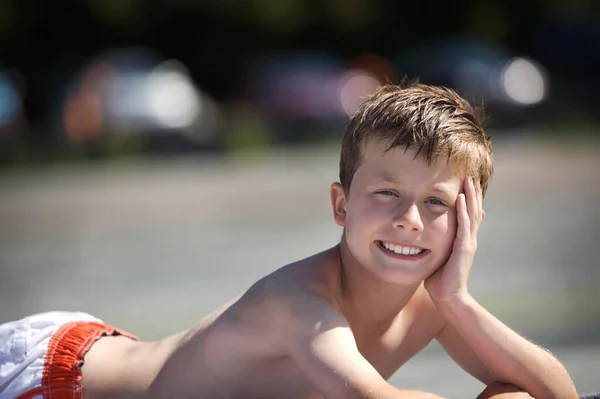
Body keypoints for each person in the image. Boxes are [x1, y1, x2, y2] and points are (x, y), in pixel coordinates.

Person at [0, 81, 579, 399]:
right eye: (386, 193)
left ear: (469, 219)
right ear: (340, 204)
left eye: (437, 203)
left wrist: (458, 298)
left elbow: (559, 395)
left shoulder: (438, 307)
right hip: (58, 381)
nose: (409, 218)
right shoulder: (302, 300)